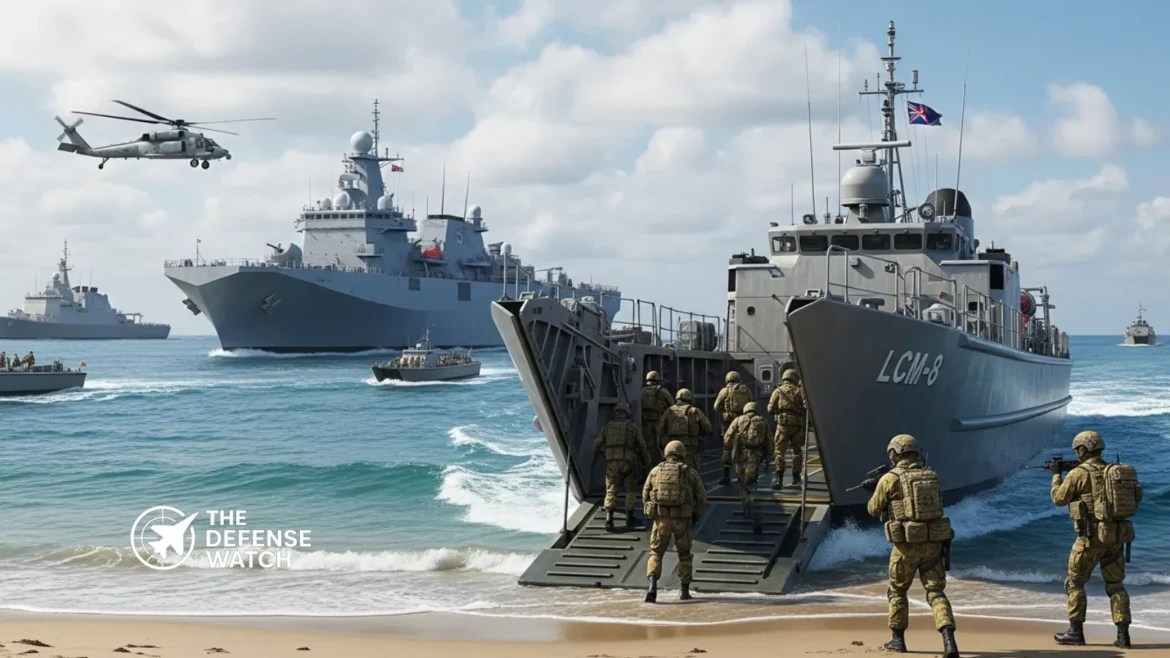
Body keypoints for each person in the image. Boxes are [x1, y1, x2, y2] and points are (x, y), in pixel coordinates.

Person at [864, 434, 959, 658]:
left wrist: (875, 488)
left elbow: (872, 509)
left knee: (897, 591)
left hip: (906, 547)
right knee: (936, 593)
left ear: (894, 454)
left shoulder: (889, 478)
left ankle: (898, 640)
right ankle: (949, 641)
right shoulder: (931, 475)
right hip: (933, 544)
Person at [1050, 430, 1142, 648]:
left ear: (1083, 449)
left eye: (1078, 450)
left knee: (1075, 583)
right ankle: (1123, 636)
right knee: (1116, 586)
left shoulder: (1078, 474)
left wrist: (1056, 475)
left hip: (1090, 538)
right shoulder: (1113, 472)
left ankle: (1075, 632)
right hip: (1116, 538)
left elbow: (1058, 499)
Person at [642, 440, 707, 603]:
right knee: (684, 555)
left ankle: (652, 585)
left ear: (666, 453)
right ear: (682, 454)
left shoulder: (656, 471)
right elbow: (702, 495)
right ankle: (684, 591)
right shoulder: (689, 472)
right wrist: (697, 513)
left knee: (656, 553)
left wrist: (650, 509)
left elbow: (645, 492)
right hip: (682, 520)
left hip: (661, 520)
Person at [592, 402, 651, 531]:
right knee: (631, 491)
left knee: (611, 490)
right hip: (628, 463)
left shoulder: (607, 426)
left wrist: (602, 454)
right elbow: (642, 447)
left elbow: (597, 444)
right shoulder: (632, 427)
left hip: (612, 463)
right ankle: (630, 518)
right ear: (627, 413)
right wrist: (648, 465)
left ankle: (609, 519)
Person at [724, 401, 772, 533]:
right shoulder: (762, 422)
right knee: (752, 484)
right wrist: (769, 456)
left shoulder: (738, 420)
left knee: (741, 483)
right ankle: (755, 513)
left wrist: (728, 450)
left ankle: (745, 508)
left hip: (740, 456)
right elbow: (769, 440)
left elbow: (727, 437)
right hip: (755, 456)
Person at [656, 389, 712, 474]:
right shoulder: (694, 410)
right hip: (689, 445)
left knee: (673, 468)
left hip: (672, 444)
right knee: (691, 469)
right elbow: (707, 426)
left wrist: (661, 442)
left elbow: (660, 427)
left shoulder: (669, 411)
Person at [767, 369, 807, 488]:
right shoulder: (799, 391)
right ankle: (796, 477)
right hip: (797, 426)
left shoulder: (777, 391)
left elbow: (770, 408)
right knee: (797, 451)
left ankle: (779, 479)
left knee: (779, 451)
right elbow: (805, 406)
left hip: (782, 426)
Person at [714, 371, 753, 485]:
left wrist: (725, 410)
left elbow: (716, 407)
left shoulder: (724, 391)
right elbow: (751, 403)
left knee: (727, 447)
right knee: (745, 446)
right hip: (743, 421)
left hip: (728, 422)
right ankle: (746, 474)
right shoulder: (746, 390)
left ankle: (726, 477)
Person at [640, 371, 675, 463]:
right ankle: (666, 465)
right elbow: (672, 405)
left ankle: (648, 467)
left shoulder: (641, 392)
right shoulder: (662, 391)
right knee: (662, 445)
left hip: (646, 423)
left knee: (648, 447)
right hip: (660, 422)